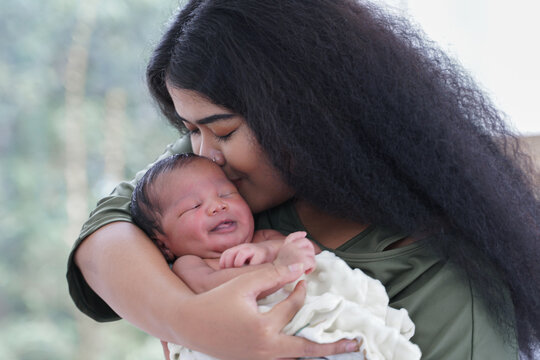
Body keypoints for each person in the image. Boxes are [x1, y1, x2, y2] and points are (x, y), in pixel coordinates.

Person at [66, 0, 540, 359]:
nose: (203, 153)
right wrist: (194, 322)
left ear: (309, 116)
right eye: (190, 130)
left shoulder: (449, 290)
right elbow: (106, 232)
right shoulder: (213, 177)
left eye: (223, 130)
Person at [130, 152, 421, 360]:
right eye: (193, 206)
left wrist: (270, 252)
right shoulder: (189, 264)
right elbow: (212, 288)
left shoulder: (264, 238)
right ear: (164, 244)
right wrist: (276, 269)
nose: (217, 206)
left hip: (311, 326)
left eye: (227, 194)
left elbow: (314, 256)